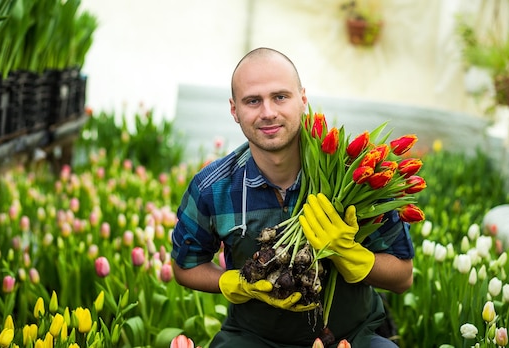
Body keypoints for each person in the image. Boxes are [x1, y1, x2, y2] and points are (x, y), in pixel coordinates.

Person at [171, 47, 414, 347]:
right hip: (254, 339)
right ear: (234, 110)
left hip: (353, 335)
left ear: (302, 98)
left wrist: (353, 256)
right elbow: (185, 267)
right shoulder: (213, 188)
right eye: (253, 101)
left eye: (280, 97)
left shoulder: (357, 177)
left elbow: (403, 276)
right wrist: (231, 282)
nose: (268, 112)